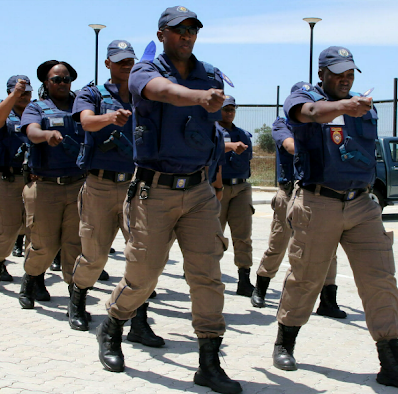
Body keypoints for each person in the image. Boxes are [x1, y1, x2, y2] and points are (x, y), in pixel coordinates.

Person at [96, 7, 241, 394]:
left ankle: (209, 363)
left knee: (207, 277)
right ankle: (112, 325)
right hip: (153, 190)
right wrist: (199, 97)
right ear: (162, 35)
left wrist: (216, 182)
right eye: (179, 31)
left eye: (193, 30)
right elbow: (163, 92)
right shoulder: (145, 70)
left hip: (197, 191)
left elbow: (211, 135)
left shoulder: (209, 74)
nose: (187, 36)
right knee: (143, 277)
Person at [276, 47, 398, 390]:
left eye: (350, 73)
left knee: (381, 279)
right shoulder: (301, 97)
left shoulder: (362, 103)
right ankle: (284, 342)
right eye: (338, 72)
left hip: (361, 203)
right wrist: (343, 107)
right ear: (322, 74)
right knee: (306, 279)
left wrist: (351, 104)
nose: (346, 79)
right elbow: (311, 113)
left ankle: (391, 363)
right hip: (318, 201)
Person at [68, 40, 163, 348]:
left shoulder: (142, 95)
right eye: (119, 61)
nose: (126, 65)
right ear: (107, 64)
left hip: (135, 184)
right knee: (94, 255)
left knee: (142, 255)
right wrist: (109, 118)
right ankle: (78, 299)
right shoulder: (92, 94)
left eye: (130, 61)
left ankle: (138, 319)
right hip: (99, 185)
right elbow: (85, 122)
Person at [251, 102, 346, 319]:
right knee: (279, 243)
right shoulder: (282, 124)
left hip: (314, 194)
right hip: (288, 192)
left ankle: (328, 301)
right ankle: (261, 288)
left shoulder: (319, 125)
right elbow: (290, 146)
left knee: (328, 250)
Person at [18, 60, 86, 308]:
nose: (62, 83)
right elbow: (32, 132)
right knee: (43, 244)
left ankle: (76, 299)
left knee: (74, 244)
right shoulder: (37, 108)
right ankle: (31, 278)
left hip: (78, 185)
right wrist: (46, 135)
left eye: (66, 79)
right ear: (46, 83)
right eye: (56, 79)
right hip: (46, 186)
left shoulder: (83, 108)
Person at [0, 75, 33, 292]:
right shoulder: (4, 113)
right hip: (8, 179)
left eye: (26, 93)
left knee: (36, 230)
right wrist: (14, 96)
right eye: (19, 93)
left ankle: (33, 277)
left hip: (33, 180)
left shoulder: (36, 114)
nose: (24, 97)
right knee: (6, 228)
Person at [215, 95, 256, 297]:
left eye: (232, 109)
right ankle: (206, 275)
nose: (229, 113)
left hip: (241, 188)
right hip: (217, 188)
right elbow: (207, 150)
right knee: (214, 235)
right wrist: (229, 147)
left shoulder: (243, 134)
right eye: (225, 109)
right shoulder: (210, 131)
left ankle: (244, 280)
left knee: (243, 236)